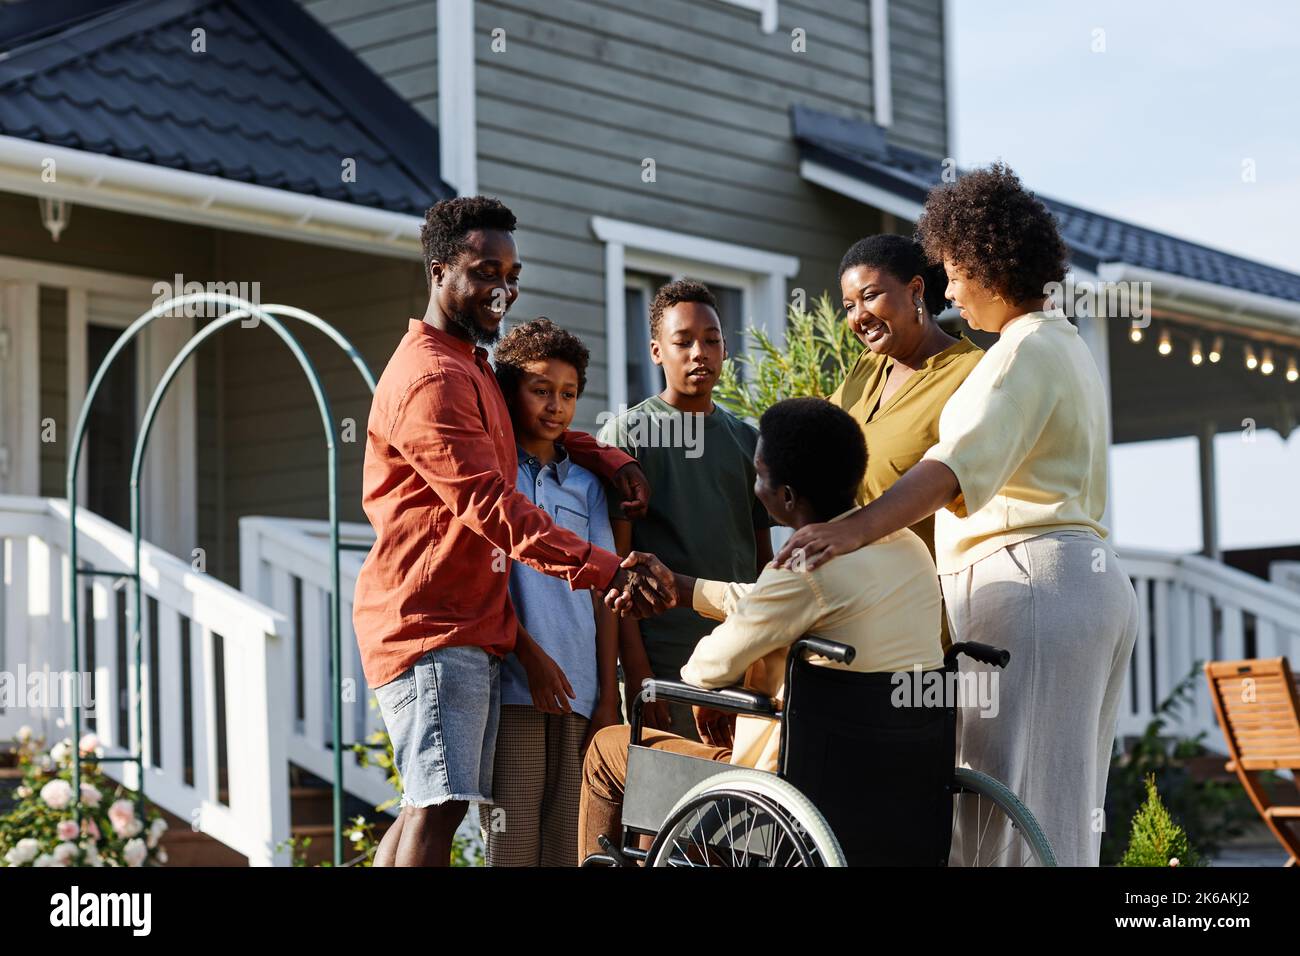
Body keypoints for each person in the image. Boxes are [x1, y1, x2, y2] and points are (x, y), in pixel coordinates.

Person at [774, 163, 1139, 867]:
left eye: (949, 272)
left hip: (1028, 588)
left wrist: (848, 528)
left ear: (981, 262)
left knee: (1003, 827)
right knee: (1056, 821)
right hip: (1079, 588)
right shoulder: (1064, 344)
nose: (949, 291)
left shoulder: (1020, 353)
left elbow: (950, 471)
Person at [353, 196, 670, 868]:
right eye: (484, 270)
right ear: (438, 271)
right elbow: (491, 505)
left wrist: (608, 456)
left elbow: (538, 425)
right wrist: (607, 568)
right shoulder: (433, 376)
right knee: (436, 809)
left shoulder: (466, 364)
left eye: (512, 273)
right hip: (432, 623)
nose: (503, 288)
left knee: (429, 804)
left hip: (466, 625)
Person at [580, 398, 945, 862]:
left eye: (758, 474)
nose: (755, 488)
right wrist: (685, 587)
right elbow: (769, 603)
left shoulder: (804, 568)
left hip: (786, 788)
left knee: (608, 750)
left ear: (787, 497)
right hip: (891, 783)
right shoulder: (905, 547)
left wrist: (719, 688)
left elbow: (705, 668)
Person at [597, 279, 772, 741]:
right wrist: (637, 675)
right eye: (684, 342)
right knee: (667, 805)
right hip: (665, 665)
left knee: (740, 801)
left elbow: (761, 561)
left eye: (711, 341)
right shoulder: (628, 435)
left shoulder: (747, 441)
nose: (700, 353)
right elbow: (617, 570)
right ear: (656, 351)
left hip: (737, 660)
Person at [475, 318, 621, 867]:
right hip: (514, 688)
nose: (556, 406)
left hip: (582, 694)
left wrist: (608, 696)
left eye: (569, 394)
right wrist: (527, 657)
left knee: (567, 847)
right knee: (511, 846)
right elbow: (487, 580)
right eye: (541, 390)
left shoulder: (587, 486)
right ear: (511, 392)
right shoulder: (494, 477)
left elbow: (606, 591)